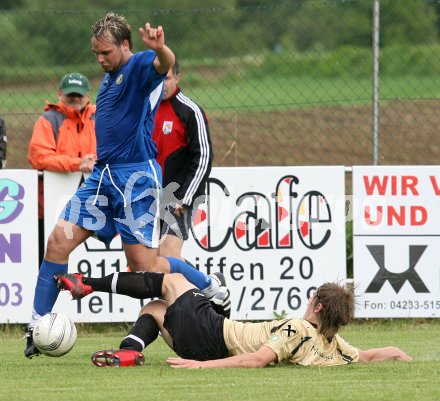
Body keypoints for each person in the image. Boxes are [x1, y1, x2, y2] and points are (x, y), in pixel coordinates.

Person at [24, 12, 230, 359]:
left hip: (135, 181)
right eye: (96, 54)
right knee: (58, 242)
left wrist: (161, 48)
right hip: (103, 178)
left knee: (146, 270)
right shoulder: (109, 76)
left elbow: (165, 63)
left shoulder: (137, 69)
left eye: (105, 52)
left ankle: (209, 285)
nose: (100, 59)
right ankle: (36, 326)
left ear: (125, 45)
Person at [55, 272, 412, 368]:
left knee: (172, 281)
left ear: (317, 306)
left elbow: (257, 360)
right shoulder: (335, 347)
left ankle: (87, 284)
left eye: (312, 297)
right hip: (207, 342)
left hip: (214, 335)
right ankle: (130, 351)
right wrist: (403, 356)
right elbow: (379, 353)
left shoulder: (298, 328)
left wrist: (200, 368)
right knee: (154, 310)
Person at [27, 72, 97, 266]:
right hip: (50, 204)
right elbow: (39, 157)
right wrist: (77, 164)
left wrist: (93, 161)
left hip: (94, 204)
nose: (75, 98)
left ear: (88, 95)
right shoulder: (49, 119)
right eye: (70, 94)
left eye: (79, 94)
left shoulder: (100, 117)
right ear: (60, 93)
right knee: (48, 254)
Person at [153, 60, 213, 258]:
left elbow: (204, 156)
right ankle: (206, 284)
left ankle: (207, 284)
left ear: (177, 78)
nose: (162, 84)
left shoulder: (190, 111)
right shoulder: (145, 109)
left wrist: (186, 199)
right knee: (149, 261)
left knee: (168, 252)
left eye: (167, 78)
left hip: (178, 195)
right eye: (158, 78)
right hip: (148, 196)